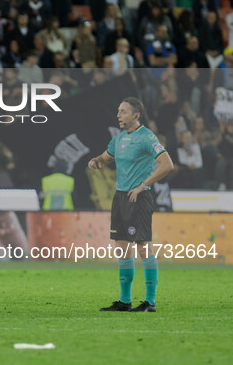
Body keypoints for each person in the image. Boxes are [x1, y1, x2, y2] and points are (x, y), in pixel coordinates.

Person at [87, 97, 174, 312]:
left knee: (143, 247)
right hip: (120, 198)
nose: (118, 115)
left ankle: (150, 302)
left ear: (136, 115)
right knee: (122, 249)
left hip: (139, 198)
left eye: (124, 111)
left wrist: (143, 185)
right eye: (118, 111)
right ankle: (125, 301)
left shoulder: (147, 137)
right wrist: (96, 161)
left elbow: (167, 164)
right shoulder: (118, 140)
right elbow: (105, 157)